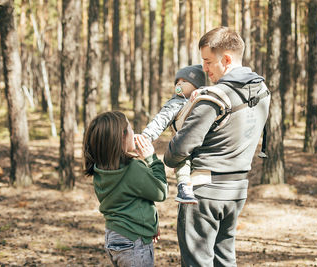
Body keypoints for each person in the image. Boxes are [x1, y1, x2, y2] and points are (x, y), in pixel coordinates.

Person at [164, 27, 270, 266]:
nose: (204, 68)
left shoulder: (213, 97)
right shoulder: (262, 91)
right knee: (225, 259)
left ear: (227, 59)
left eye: (208, 61)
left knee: (197, 262)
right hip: (237, 190)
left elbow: (177, 152)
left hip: (204, 193)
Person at [83, 111, 167, 267]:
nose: (134, 132)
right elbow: (161, 191)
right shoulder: (132, 169)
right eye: (130, 129)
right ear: (121, 137)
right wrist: (152, 158)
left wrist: (151, 225)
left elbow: (130, 203)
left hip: (114, 236)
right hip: (134, 241)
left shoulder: (100, 169)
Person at [141, 65, 206, 204]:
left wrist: (201, 92)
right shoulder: (176, 103)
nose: (179, 84)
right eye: (177, 81)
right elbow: (161, 120)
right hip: (184, 142)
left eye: (184, 81)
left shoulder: (205, 98)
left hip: (203, 146)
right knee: (183, 159)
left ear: (197, 86)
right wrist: (147, 135)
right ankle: (183, 187)